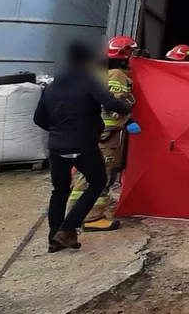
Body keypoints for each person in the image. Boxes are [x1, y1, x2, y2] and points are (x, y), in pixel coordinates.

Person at [34, 40, 132, 252]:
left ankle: (54, 239)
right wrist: (127, 107)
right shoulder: (87, 82)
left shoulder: (52, 86)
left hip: (57, 147)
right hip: (83, 143)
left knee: (59, 192)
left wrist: (58, 131)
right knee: (97, 182)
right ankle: (68, 228)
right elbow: (112, 103)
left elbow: (38, 118)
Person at [66, 35, 137, 231]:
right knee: (101, 176)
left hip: (92, 132)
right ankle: (91, 217)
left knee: (85, 174)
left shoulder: (97, 72)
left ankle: (75, 214)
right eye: (131, 53)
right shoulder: (116, 75)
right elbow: (113, 104)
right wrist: (127, 121)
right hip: (106, 135)